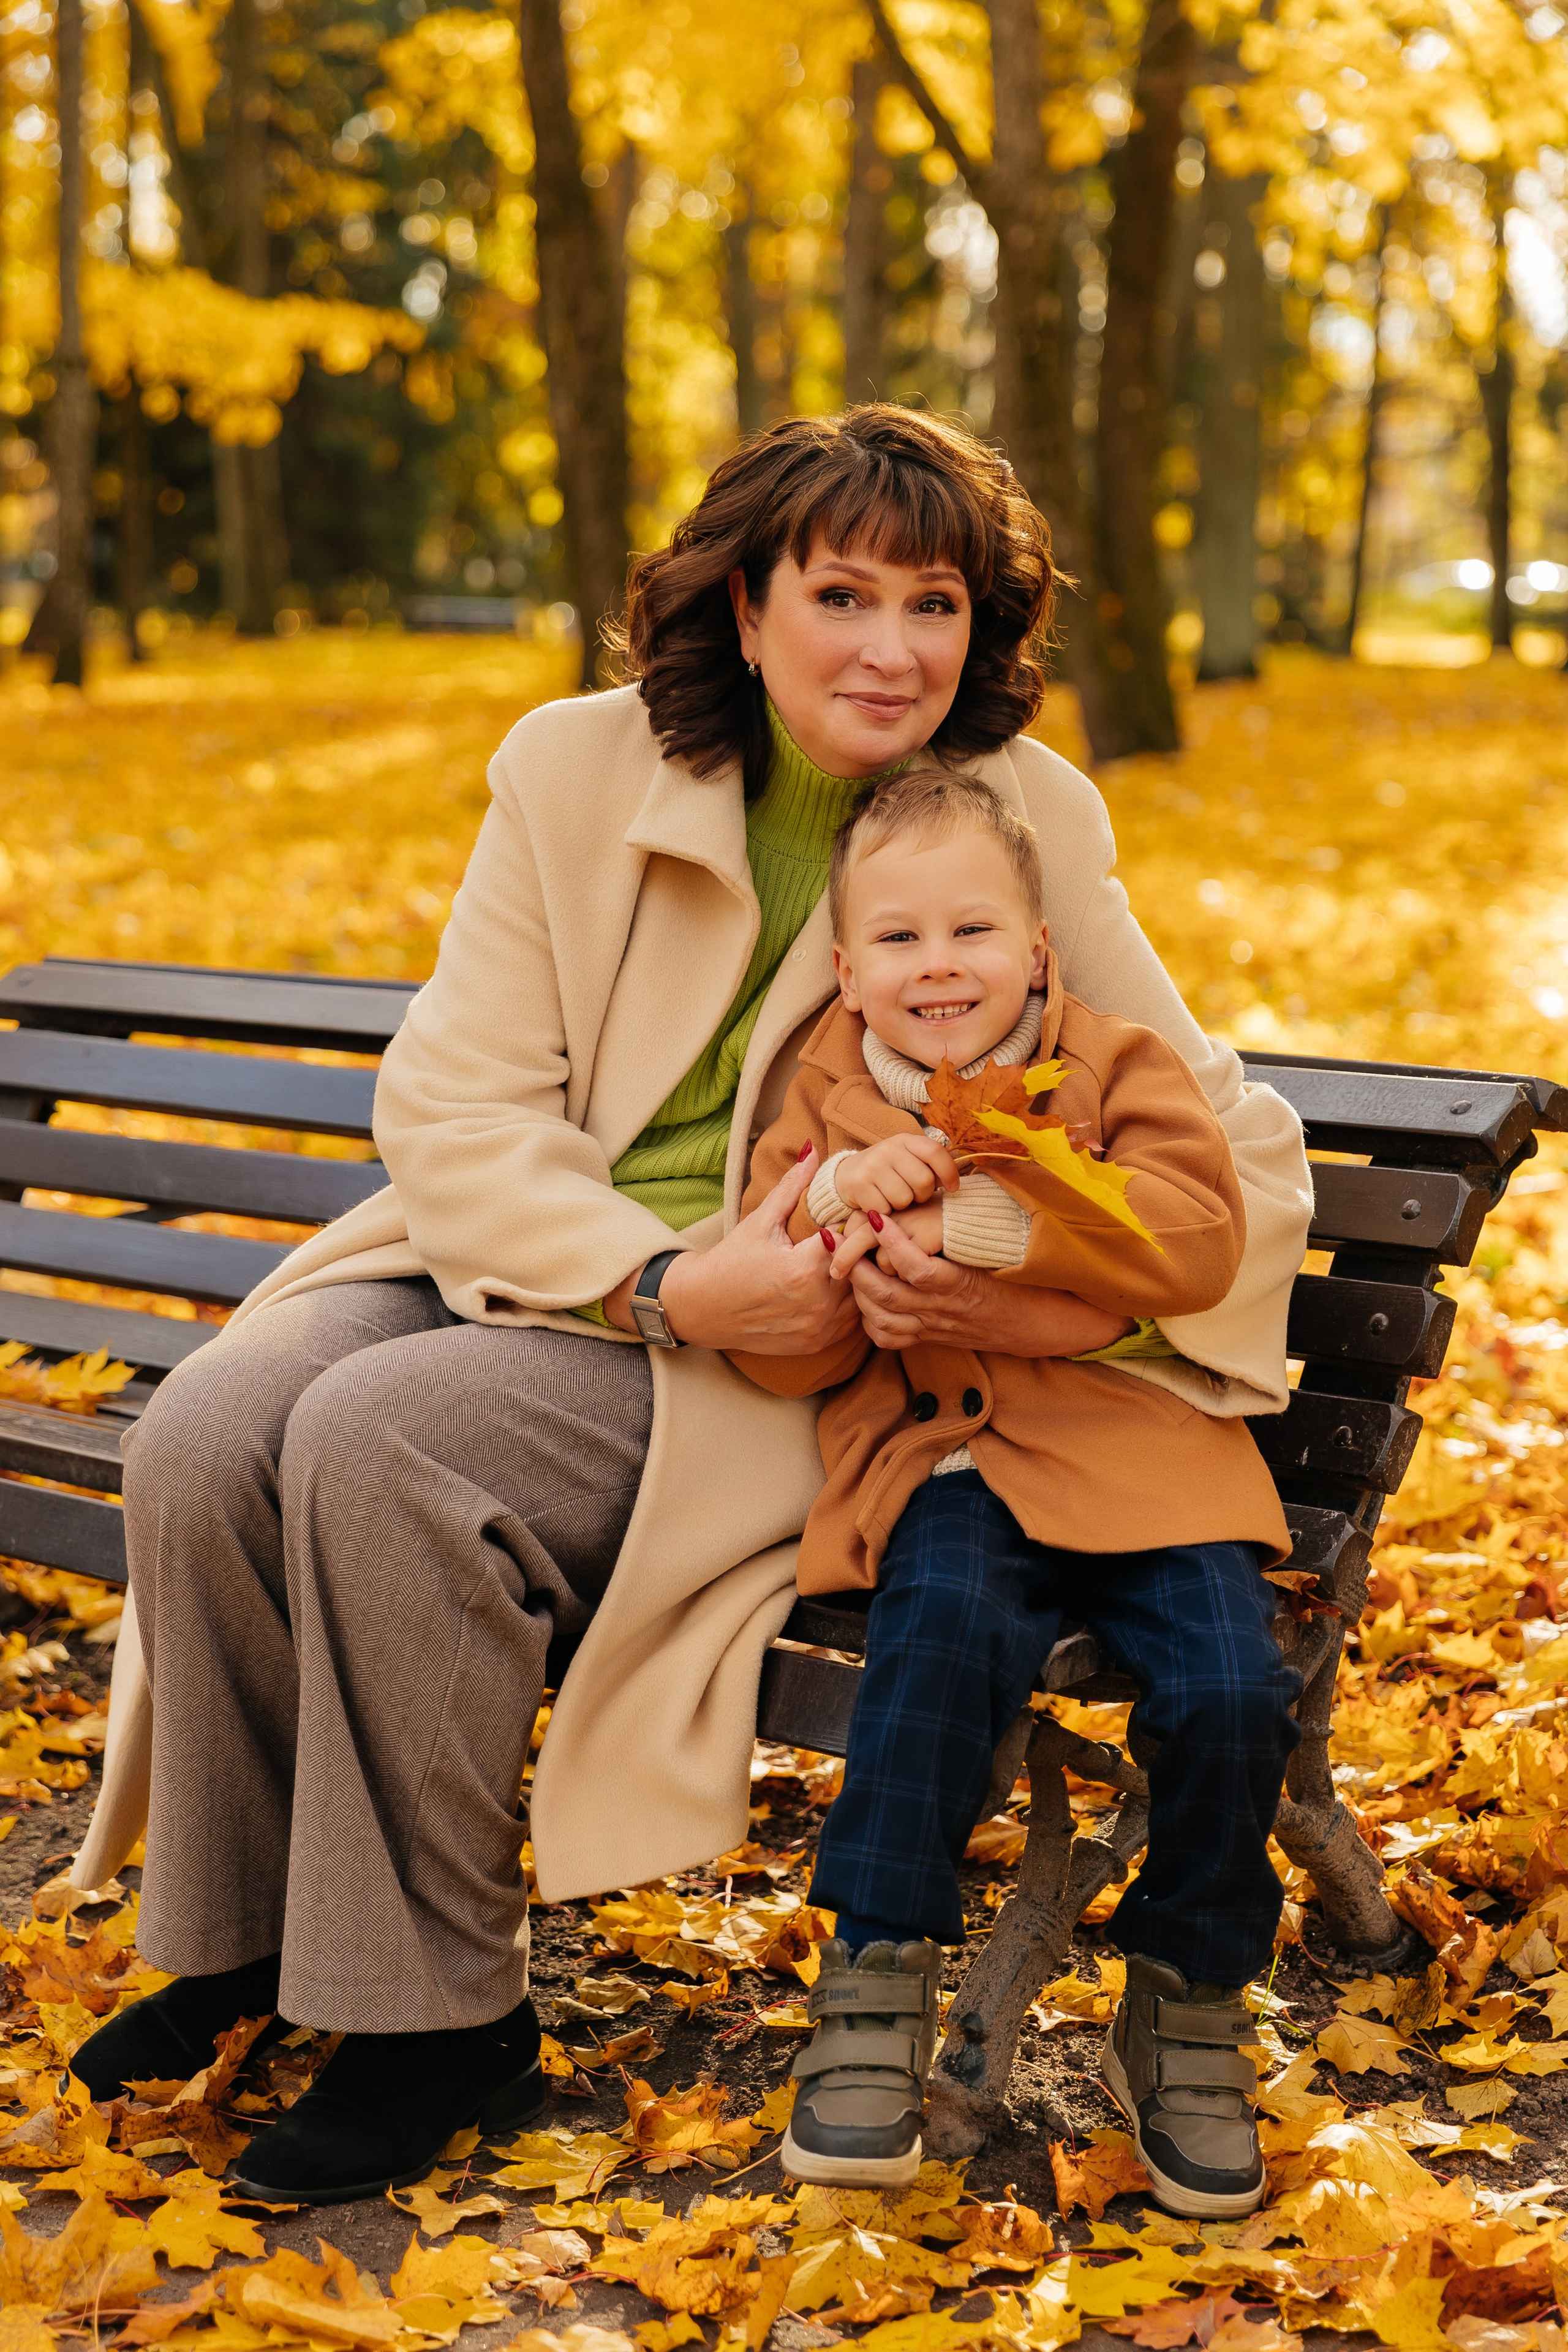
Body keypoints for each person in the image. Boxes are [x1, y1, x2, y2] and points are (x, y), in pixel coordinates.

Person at [66, 406, 1312, 2206]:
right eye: (843, 593)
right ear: (742, 605)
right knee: (201, 1434)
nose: (894, 648)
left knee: (380, 1439)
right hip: (560, 1261)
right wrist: (651, 1271)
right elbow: (455, 1105)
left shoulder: (1019, 814)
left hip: (798, 1332)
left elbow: (1194, 1108)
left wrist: (1026, 1271)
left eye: (938, 604)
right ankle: (248, 1943)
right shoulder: (571, 771)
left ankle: (432, 2021)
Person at [726, 768, 1300, 2218]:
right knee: (933, 1655)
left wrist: (992, 1212)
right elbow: (768, 1244)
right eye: (899, 940)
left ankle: (1185, 1998)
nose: (938, 968)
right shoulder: (826, 1087)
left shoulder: (1113, 1067)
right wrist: (851, 1194)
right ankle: (873, 1981)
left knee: (1234, 1691)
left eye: (971, 931)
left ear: (1036, 948)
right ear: (846, 964)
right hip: (954, 1459)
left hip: (1143, 1456)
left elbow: (1190, 1239)